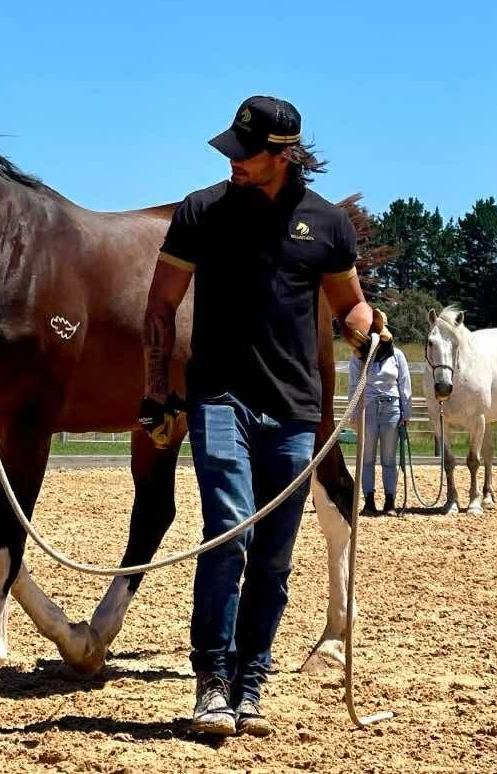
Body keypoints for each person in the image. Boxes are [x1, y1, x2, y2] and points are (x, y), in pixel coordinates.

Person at [138, 95, 381, 737]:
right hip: (219, 399)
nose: (234, 161)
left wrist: (368, 328)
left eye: (247, 153)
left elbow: (349, 305)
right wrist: (157, 392)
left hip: (295, 412)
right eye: (233, 149)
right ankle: (212, 680)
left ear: (284, 154)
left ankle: (251, 684)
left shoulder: (327, 225)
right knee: (228, 531)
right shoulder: (201, 212)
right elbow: (160, 307)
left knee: (275, 556)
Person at [349, 341, 412, 514]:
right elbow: (353, 385)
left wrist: (406, 412)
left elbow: (404, 383)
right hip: (367, 409)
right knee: (367, 458)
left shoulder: (397, 355)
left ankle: (390, 501)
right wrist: (353, 413)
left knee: (389, 458)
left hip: (392, 408)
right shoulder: (359, 356)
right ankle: (369, 501)